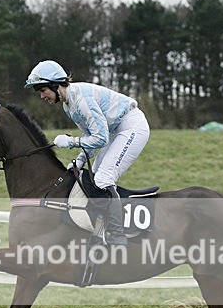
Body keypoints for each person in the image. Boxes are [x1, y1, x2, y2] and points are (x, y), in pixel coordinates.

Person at [24, 60, 150, 246]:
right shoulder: (69, 105)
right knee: (92, 179)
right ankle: (100, 232)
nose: (42, 96)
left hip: (132, 128)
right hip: (115, 130)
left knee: (103, 179)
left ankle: (117, 235)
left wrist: (71, 142)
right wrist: (80, 160)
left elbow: (100, 138)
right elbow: (91, 135)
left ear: (55, 85)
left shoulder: (80, 100)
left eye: (42, 90)